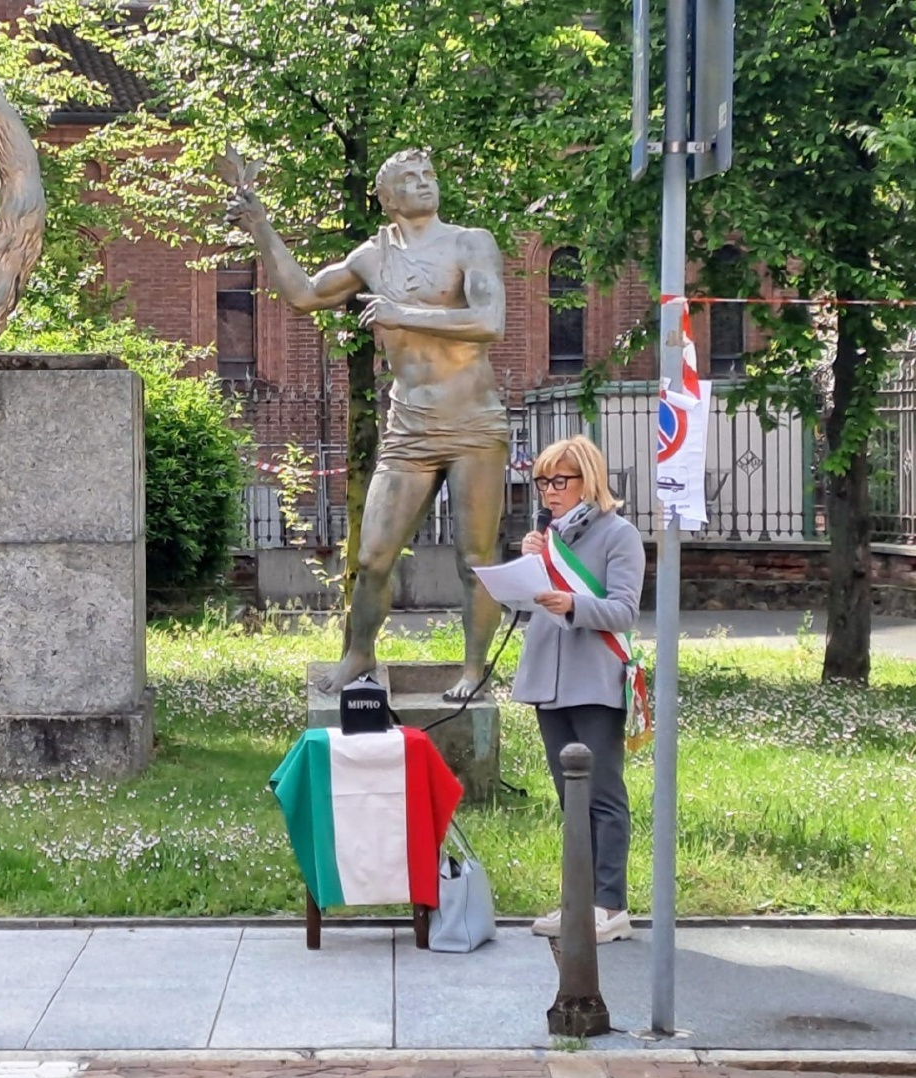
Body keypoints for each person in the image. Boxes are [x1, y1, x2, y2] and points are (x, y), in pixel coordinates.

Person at [226, 148, 508, 700]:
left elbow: (489, 321)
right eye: (410, 177)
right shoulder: (372, 256)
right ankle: (359, 653)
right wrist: (261, 227)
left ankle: (474, 670)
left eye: (429, 174)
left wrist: (397, 312)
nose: (425, 183)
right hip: (410, 425)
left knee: (475, 559)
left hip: (473, 422)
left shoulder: (469, 242)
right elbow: (305, 294)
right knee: (373, 556)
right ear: (387, 197)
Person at [511, 435, 647, 944]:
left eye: (559, 480)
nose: (549, 491)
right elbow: (526, 607)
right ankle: (578, 902)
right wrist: (525, 570)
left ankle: (610, 904)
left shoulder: (619, 534)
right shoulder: (547, 538)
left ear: (587, 479)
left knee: (603, 795)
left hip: (594, 680)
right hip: (549, 679)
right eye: (543, 480)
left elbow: (624, 610)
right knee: (570, 798)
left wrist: (571, 604)